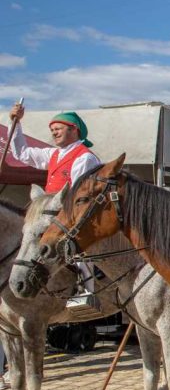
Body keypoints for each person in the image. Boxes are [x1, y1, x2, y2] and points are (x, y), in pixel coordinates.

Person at [7, 102, 102, 311]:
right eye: (52, 130)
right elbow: (22, 153)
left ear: (74, 129)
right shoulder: (54, 154)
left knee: (78, 245)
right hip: (52, 211)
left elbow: (79, 194)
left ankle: (86, 290)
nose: (54, 133)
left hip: (74, 212)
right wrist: (16, 123)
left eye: (58, 128)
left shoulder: (84, 157)